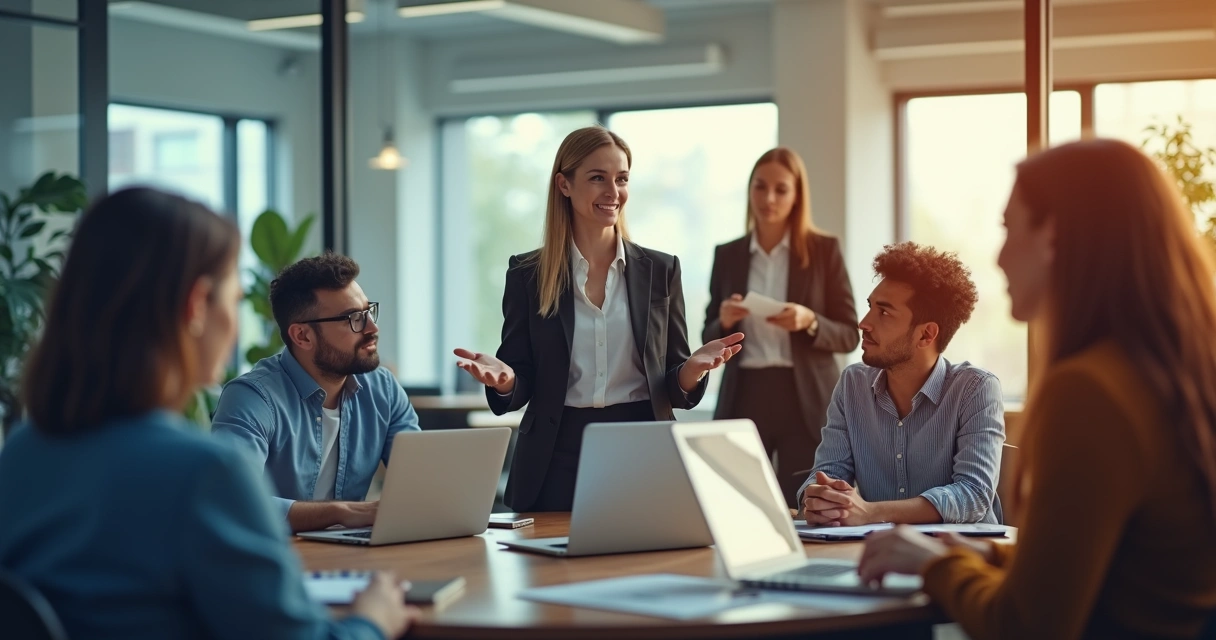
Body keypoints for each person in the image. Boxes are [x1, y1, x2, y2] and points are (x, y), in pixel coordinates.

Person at [0, 188, 414, 639]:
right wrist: (373, 618)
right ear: (196, 306)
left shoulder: (21, 454)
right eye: (233, 300)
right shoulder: (205, 473)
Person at [857, 140, 1216, 638]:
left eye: (1009, 228)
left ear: (1054, 236)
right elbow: (1114, 568)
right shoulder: (1164, 374)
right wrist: (986, 553)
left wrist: (932, 564)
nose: (1000, 257)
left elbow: (1027, 627)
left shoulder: (1089, 393)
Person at [454, 125, 744, 512]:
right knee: (552, 554)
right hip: (556, 455)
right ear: (564, 185)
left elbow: (674, 388)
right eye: (597, 178)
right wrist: (507, 381)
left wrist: (692, 369)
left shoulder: (661, 270)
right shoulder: (527, 274)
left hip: (645, 449)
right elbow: (521, 378)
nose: (613, 191)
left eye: (621, 179)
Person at [211, 253, 420, 533]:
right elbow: (231, 498)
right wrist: (342, 512)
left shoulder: (383, 389)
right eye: (353, 318)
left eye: (368, 311)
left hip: (354, 552)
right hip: (276, 552)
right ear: (303, 336)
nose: (372, 328)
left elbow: (422, 483)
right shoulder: (252, 397)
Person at [798, 242, 1004, 525]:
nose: (863, 323)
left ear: (926, 335)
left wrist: (871, 513)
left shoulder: (976, 389)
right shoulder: (852, 384)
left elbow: (973, 495)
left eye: (884, 313)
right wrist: (819, 497)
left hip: (958, 549)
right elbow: (828, 472)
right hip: (876, 548)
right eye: (870, 307)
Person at [703, 147, 859, 507]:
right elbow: (707, 335)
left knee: (806, 504)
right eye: (760, 186)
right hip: (745, 393)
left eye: (781, 189)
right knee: (739, 502)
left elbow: (850, 333)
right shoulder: (728, 255)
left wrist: (810, 321)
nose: (768, 198)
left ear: (797, 196)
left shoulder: (823, 251)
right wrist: (723, 321)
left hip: (804, 398)